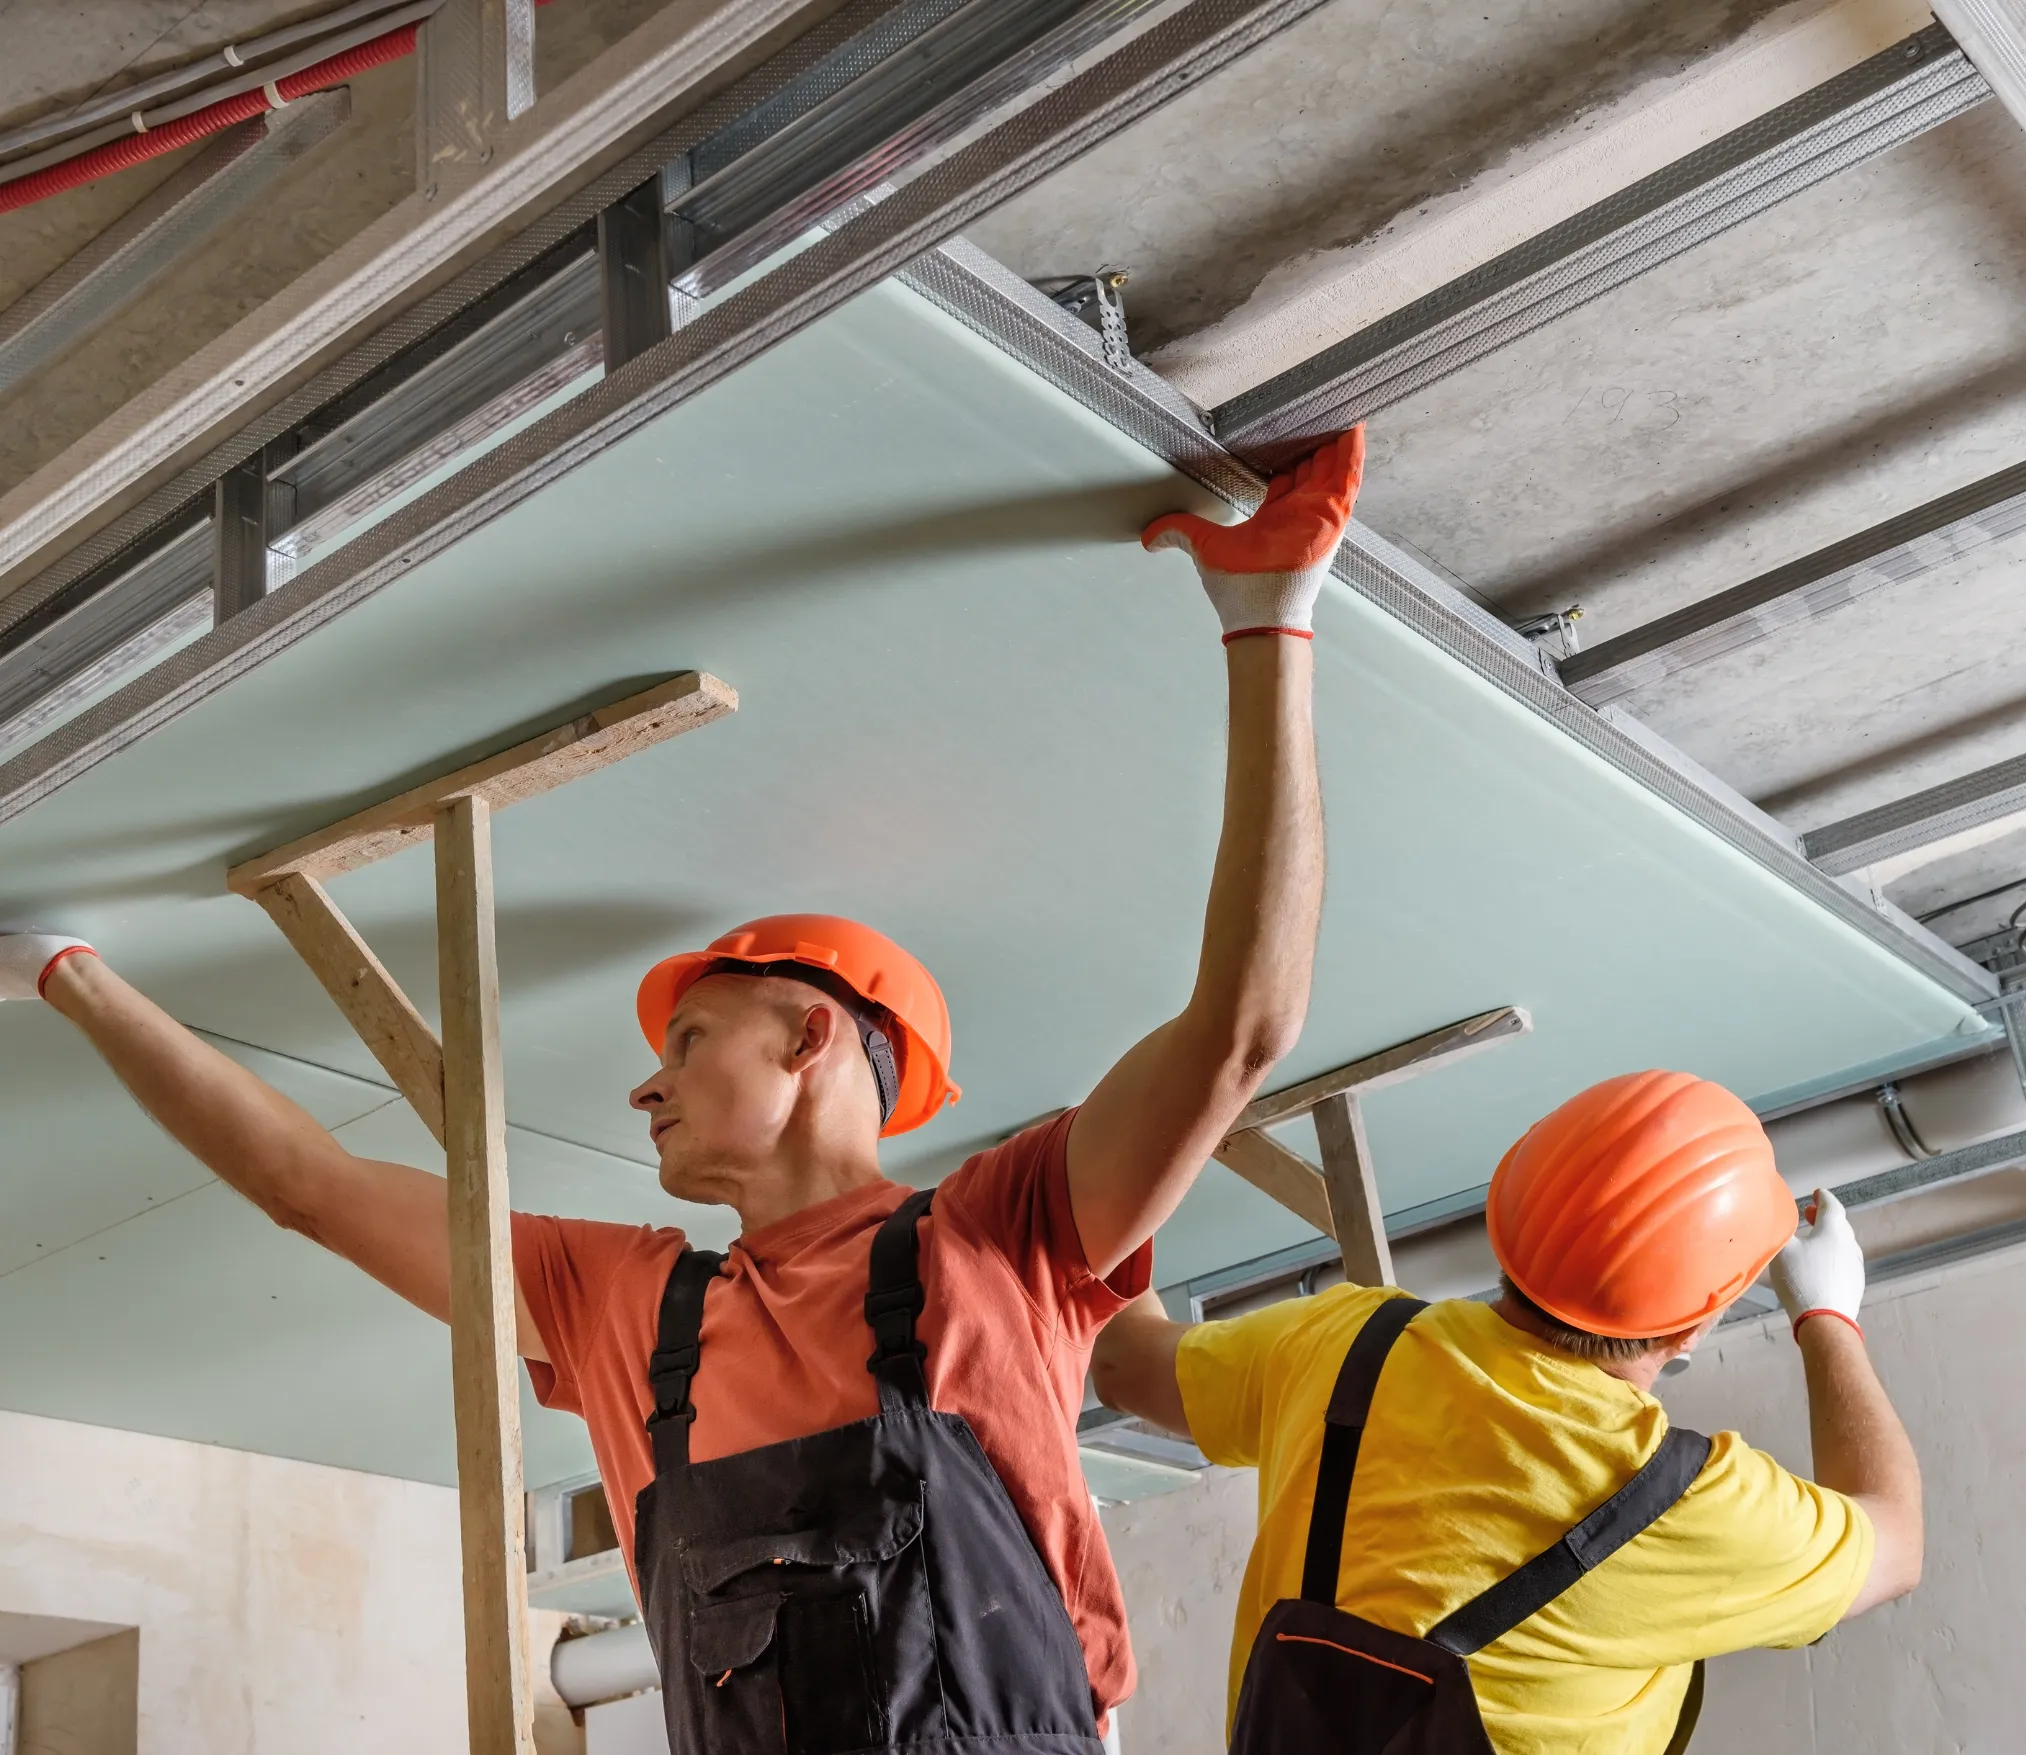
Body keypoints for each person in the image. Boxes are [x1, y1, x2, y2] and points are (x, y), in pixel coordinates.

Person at [0, 427, 1365, 1755]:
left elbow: (1242, 1027)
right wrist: (64, 972)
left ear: (810, 1038)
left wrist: (1266, 625)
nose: (645, 1088)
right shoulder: (623, 1307)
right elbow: (309, 1185)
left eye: (691, 1036)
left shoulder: (999, 1231)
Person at [1089, 1069, 1924, 1755]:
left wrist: (1099, 1167)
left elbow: (1124, 1364)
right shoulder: (1687, 1501)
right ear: (1698, 1318)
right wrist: (1827, 1316)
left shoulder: (1347, 1342)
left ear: (1513, 1216)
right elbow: (1895, 1546)